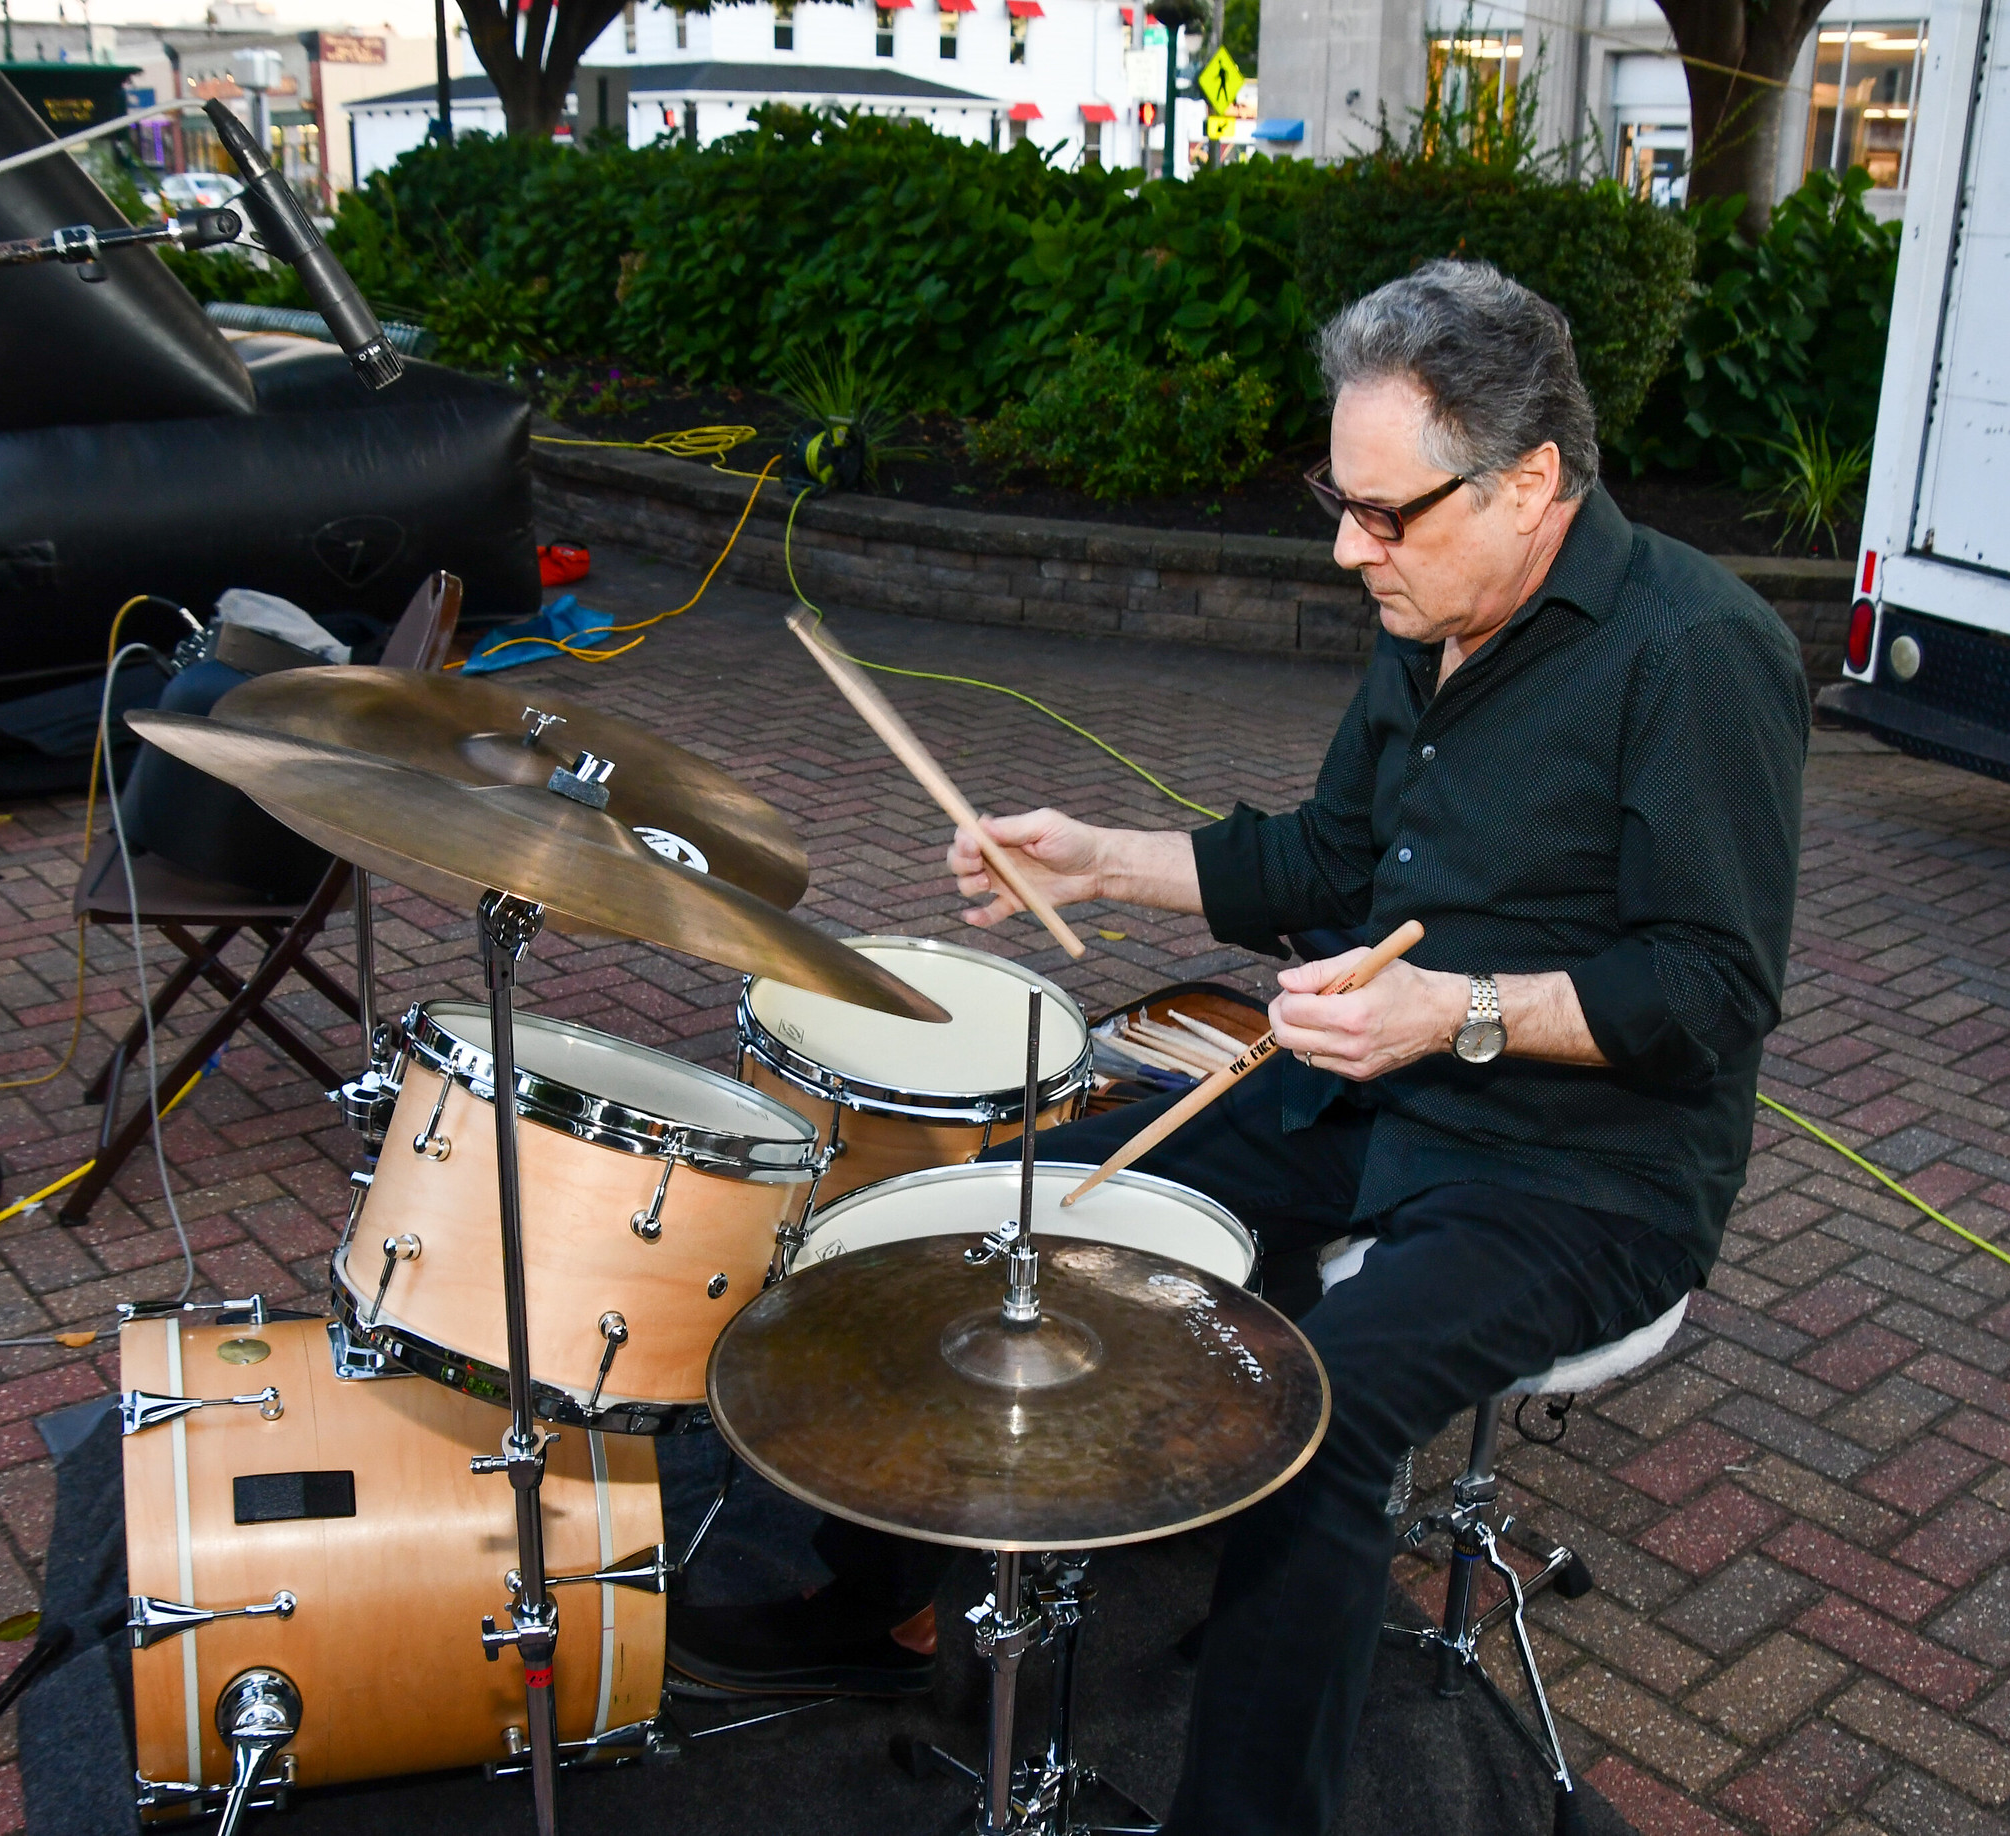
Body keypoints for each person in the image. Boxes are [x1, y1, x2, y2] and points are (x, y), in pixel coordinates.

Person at [671, 259, 1809, 1832]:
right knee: (1011, 1214)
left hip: (1582, 1170)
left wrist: (1455, 1010)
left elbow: (1709, 992)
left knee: (1322, 1418)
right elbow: (1330, 863)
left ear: (1530, 480)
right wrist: (1098, 861)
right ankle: (882, 1606)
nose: (1350, 551)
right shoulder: (1431, 616)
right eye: (1339, 504)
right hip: (1366, 1088)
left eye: (1386, 514)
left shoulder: (1695, 654)